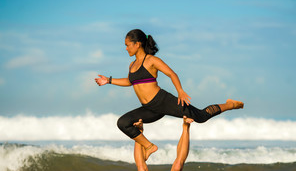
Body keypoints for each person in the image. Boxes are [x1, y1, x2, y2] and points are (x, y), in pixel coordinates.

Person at [95, 29, 244, 160]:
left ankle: (229, 104)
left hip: (162, 101)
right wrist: (108, 80)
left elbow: (171, 74)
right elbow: (130, 81)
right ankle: (149, 146)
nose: (126, 48)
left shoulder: (152, 60)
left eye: (128, 45)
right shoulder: (132, 65)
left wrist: (180, 91)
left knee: (200, 116)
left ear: (137, 44)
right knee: (123, 122)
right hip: (149, 108)